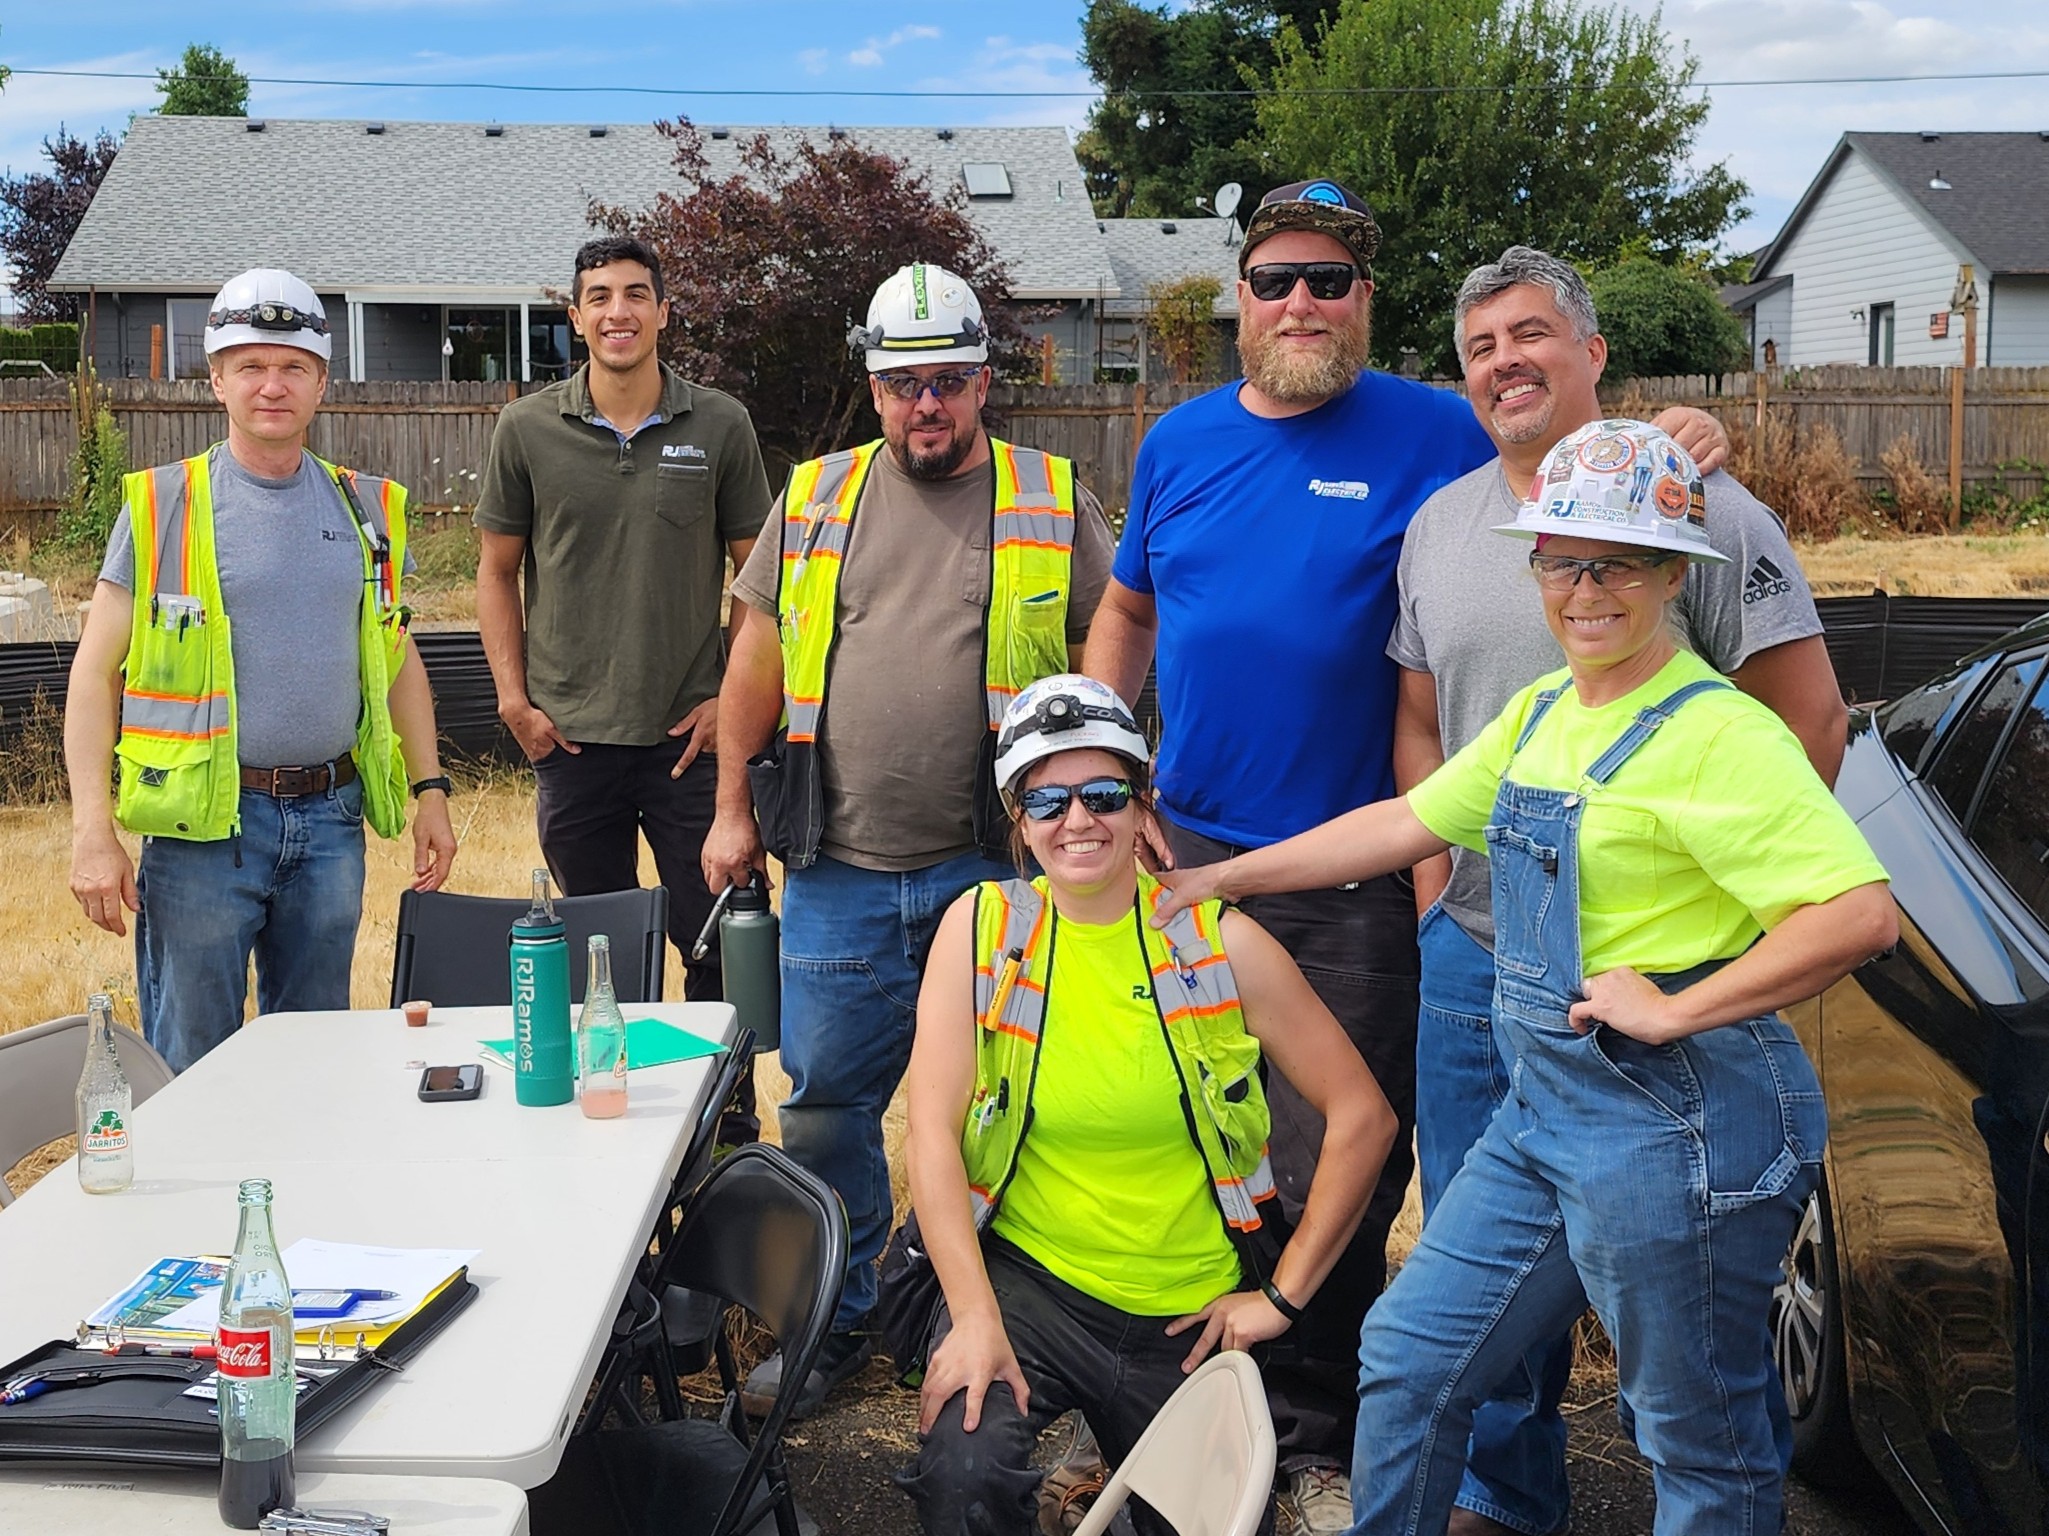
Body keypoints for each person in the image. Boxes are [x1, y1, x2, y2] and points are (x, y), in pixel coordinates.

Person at [1081, 180, 1729, 1531]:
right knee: (1180, 1138)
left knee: (1339, 1161)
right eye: (1275, 280)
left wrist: (1669, 434)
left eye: (1328, 280)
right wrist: (1111, 766)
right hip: (1187, 854)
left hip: (1357, 878)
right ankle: (1163, 1415)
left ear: (1364, 301)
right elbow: (1127, 611)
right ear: (1239, 299)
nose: (1300, 303)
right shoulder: (1176, 442)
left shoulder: (1432, 426)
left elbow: (1557, 442)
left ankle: (1315, 1441)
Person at [1158, 419, 1896, 1535]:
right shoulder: (1545, 710)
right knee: (1410, 1358)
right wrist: (1220, 880)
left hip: (1681, 1122)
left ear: (1673, 577)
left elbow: (1858, 913)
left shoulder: (1721, 735)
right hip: (1547, 1112)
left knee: (1695, 1438)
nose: (1585, 590)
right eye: (1562, 561)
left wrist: (1678, 1006)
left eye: (1618, 564)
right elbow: (1408, 820)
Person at [1391, 246, 1848, 1536]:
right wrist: (1433, 890)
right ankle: (1503, 1499)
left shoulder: (1707, 507)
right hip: (1477, 954)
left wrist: (1733, 928)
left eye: (1532, 334)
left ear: (1593, 352)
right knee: (1481, 1273)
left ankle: (1708, 1497)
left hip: (1646, 980)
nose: (1506, 363)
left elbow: (1806, 723)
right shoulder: (1442, 526)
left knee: (1682, 1323)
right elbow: (1420, 726)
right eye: (1481, 348)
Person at [705, 263, 1116, 1418]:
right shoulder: (816, 495)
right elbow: (754, 661)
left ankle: (998, 1322)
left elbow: (1115, 642)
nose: (925, 404)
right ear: (876, 387)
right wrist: (732, 807)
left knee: (1016, 1104)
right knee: (826, 1106)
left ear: (983, 381)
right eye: (903, 384)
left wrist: (1103, 804)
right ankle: (840, 1323)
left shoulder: (1048, 496)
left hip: (1000, 870)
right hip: (838, 870)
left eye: (946, 382)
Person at [898, 675, 1395, 1535]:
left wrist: (1279, 1299)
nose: (1077, 820)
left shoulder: (1219, 942)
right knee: (963, 1468)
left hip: (1186, 1313)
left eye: (1103, 794)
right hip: (1032, 1287)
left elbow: (1363, 1115)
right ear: (1018, 821)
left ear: (1142, 807)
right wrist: (973, 1318)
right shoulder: (980, 929)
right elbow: (932, 1133)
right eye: (1046, 800)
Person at [65, 268, 457, 1072]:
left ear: (321, 383)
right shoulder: (162, 506)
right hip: (203, 835)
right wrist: (91, 830)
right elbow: (94, 675)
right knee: (190, 1063)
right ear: (216, 380)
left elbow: (396, 657)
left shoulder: (367, 509)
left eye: (292, 367)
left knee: (313, 1063)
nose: (272, 385)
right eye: (250, 366)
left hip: (330, 823)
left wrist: (431, 790)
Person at [475, 235, 771, 1128]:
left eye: (636, 294)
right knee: (600, 958)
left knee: (716, 949)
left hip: (690, 745)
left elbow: (758, 581)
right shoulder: (527, 429)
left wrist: (729, 700)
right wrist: (513, 702)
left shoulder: (719, 425)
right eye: (599, 296)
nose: (619, 311)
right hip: (571, 744)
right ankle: (614, 1126)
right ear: (575, 318)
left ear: (663, 312)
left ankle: (726, 1137)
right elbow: (496, 572)